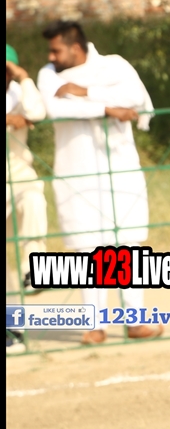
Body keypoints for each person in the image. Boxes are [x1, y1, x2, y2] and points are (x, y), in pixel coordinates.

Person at [36, 21, 160, 345]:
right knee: (88, 249)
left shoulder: (113, 66)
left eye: (56, 50)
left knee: (127, 244)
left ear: (75, 47)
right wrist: (108, 108)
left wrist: (85, 93)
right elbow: (55, 108)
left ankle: (136, 321)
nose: (51, 56)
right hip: (76, 171)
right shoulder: (48, 75)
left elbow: (135, 98)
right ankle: (95, 325)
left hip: (120, 166)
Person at [7, 44, 48, 354]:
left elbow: (37, 112)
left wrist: (23, 77)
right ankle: (13, 332)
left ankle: (34, 270)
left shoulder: (19, 93)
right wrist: (10, 119)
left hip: (19, 174)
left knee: (34, 198)